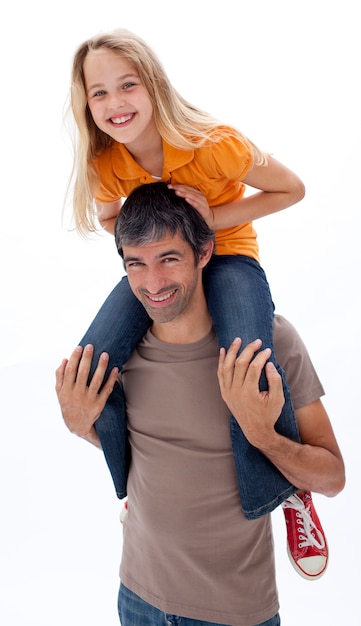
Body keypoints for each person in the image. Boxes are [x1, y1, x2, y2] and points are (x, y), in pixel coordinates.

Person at [65, 27, 321, 570]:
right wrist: (147, 214)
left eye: (126, 84)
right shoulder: (105, 163)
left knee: (246, 361)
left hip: (227, 255)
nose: (114, 102)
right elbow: (112, 219)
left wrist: (210, 218)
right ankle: (136, 485)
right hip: (164, 263)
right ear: (86, 104)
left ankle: (287, 490)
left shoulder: (214, 144)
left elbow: (291, 189)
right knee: (91, 365)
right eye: (99, 92)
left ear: (153, 85)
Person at [56, 183, 345, 625]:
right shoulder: (123, 351)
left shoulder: (269, 343)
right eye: (137, 264)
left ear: (204, 252)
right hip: (137, 597)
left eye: (169, 259)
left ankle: (287, 496)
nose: (153, 284)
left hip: (233, 612)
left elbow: (332, 478)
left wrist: (263, 435)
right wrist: (82, 427)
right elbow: (152, 453)